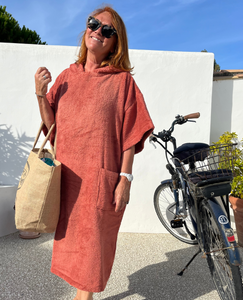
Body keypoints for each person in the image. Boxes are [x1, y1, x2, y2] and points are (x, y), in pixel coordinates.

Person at [34, 5, 154, 300]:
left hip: (101, 177)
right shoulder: (66, 77)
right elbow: (53, 127)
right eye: (93, 24)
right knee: (71, 238)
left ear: (116, 42)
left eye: (107, 30)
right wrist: (40, 93)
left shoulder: (123, 81)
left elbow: (131, 133)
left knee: (94, 240)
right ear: (86, 28)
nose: (98, 31)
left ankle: (83, 296)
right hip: (69, 175)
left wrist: (125, 178)